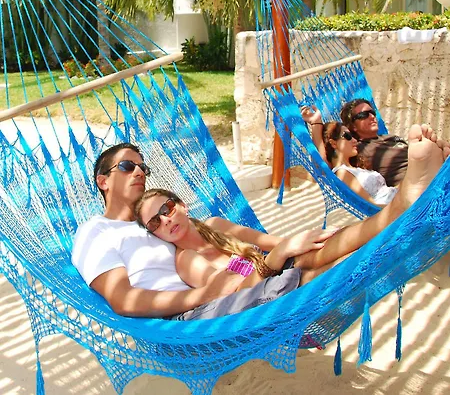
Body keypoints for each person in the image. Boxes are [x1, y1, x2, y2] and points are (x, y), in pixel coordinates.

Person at [72, 130, 449, 320]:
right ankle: (400, 216)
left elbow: (265, 244)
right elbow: (124, 299)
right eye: (127, 166)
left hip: (252, 279)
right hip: (209, 310)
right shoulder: (97, 233)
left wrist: (292, 244)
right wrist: (267, 260)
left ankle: (400, 209)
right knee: (310, 270)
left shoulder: (197, 226)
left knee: (315, 250)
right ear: (103, 180)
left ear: (181, 205)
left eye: (142, 167)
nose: (138, 171)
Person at [134, 188, 339, 292]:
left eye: (167, 209)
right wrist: (277, 256)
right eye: (154, 223)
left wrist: (302, 242)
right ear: (155, 234)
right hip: (276, 302)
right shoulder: (187, 260)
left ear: (183, 205)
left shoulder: (215, 225)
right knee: (338, 268)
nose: (165, 220)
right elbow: (239, 295)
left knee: (330, 246)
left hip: (286, 273)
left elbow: (275, 242)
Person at [301, 100, 425, 186]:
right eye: (364, 115)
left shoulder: (391, 137)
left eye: (372, 113)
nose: (372, 117)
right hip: (416, 185)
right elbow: (323, 169)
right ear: (353, 126)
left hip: (427, 170)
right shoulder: (356, 148)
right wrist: (316, 123)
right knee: (417, 131)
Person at [322, 121, 398, 206]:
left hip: (396, 198)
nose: (355, 140)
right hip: (395, 207)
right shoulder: (342, 173)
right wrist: (315, 123)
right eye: (348, 136)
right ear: (333, 143)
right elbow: (371, 206)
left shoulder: (354, 168)